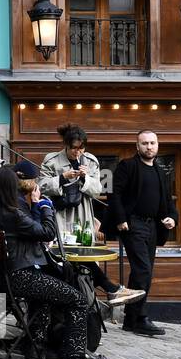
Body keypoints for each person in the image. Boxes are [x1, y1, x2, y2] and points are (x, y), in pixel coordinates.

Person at [0, 166, 99, 359]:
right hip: (20, 276)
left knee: (43, 298)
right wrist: (44, 206)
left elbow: (31, 230)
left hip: (2, 278)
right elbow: (47, 232)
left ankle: (35, 346)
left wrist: (33, 208)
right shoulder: (12, 213)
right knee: (77, 300)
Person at [39, 123, 145, 309]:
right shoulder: (52, 160)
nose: (77, 153)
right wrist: (63, 178)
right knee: (65, 257)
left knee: (81, 256)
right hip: (60, 215)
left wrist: (84, 179)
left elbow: (97, 191)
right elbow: (41, 187)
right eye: (74, 148)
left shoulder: (91, 161)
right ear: (66, 145)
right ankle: (105, 291)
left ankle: (90, 301)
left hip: (83, 215)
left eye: (81, 149)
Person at [105, 130, 178, 338]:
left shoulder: (160, 171)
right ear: (137, 146)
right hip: (133, 224)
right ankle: (141, 317)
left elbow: (168, 200)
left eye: (152, 143)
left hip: (153, 226)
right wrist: (120, 219)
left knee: (142, 271)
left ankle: (130, 319)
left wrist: (172, 217)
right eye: (144, 143)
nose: (149, 146)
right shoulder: (128, 166)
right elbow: (114, 194)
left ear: (158, 145)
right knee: (143, 269)